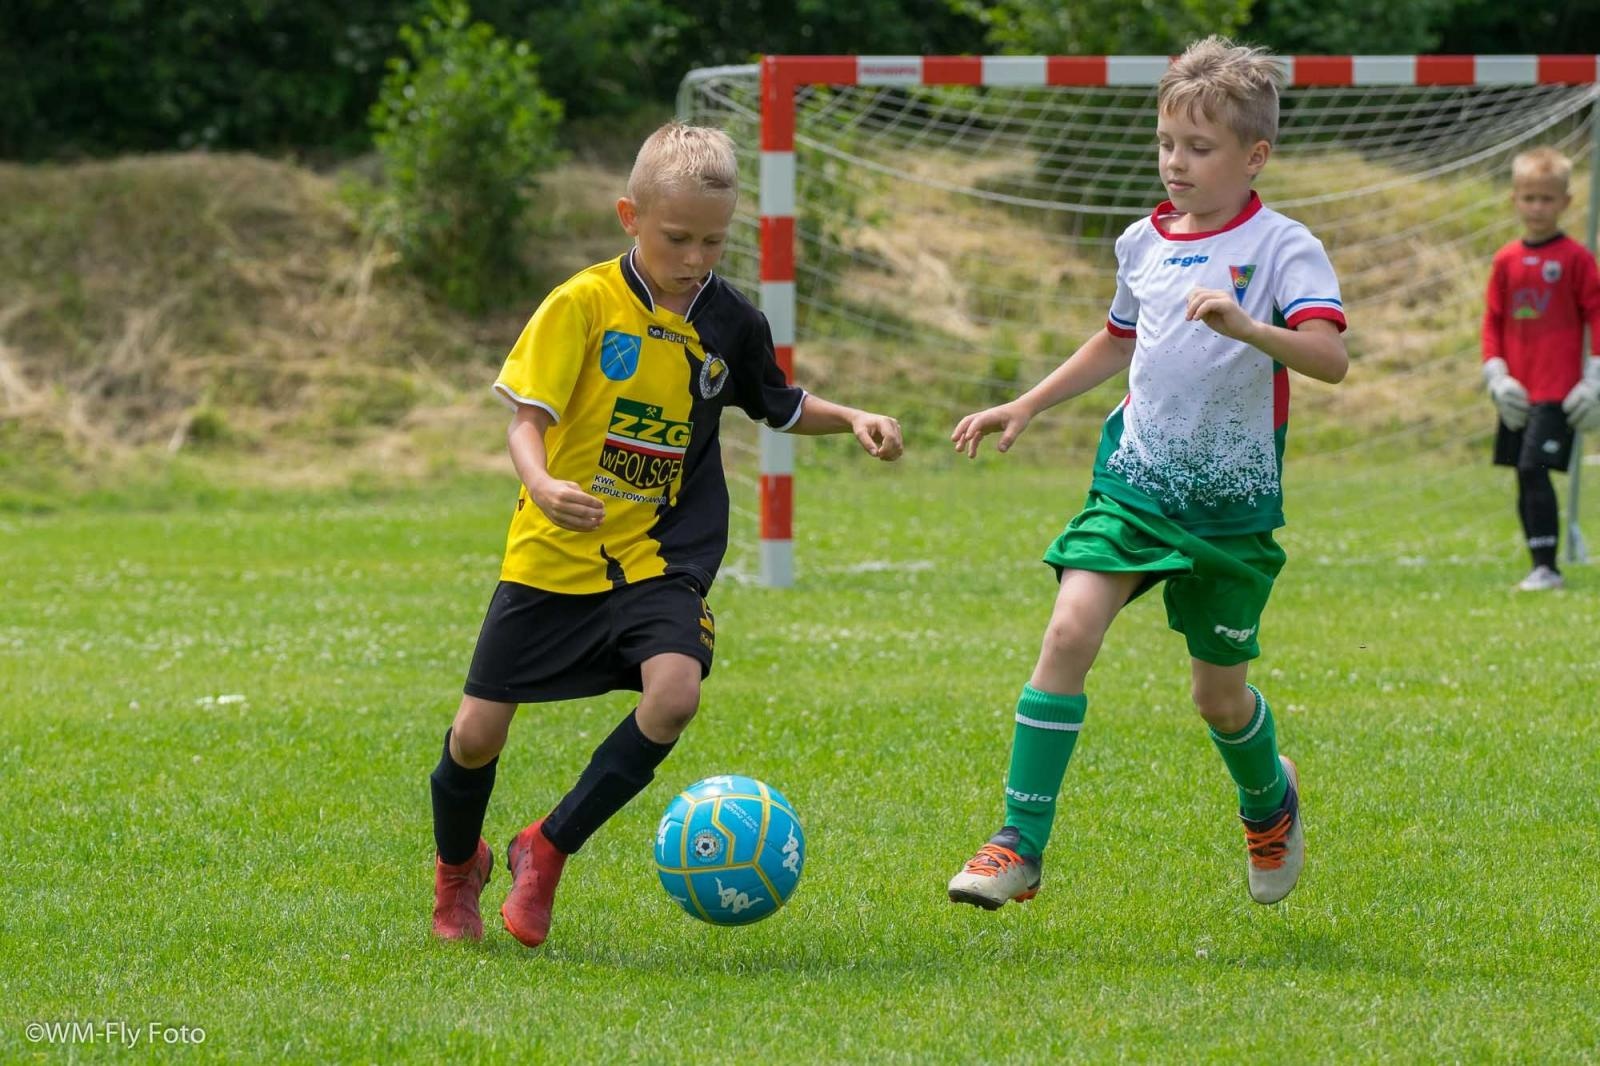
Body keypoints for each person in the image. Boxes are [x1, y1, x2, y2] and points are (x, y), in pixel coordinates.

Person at [428, 122, 903, 946]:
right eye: (676, 237)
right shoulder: (580, 305)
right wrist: (541, 484)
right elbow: (526, 420)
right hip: (552, 551)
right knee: (475, 736)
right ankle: (456, 874)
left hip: (660, 556)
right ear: (629, 216)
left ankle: (546, 847)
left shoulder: (731, 321)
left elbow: (779, 403)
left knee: (675, 694)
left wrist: (854, 415)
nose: (695, 257)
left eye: (712, 241)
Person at [944, 36, 1347, 910]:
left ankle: (1268, 800)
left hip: (1229, 511)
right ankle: (1018, 844)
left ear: (1255, 156)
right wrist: (1027, 403)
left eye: (1199, 148)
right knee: (1067, 633)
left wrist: (1252, 330)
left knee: (1218, 698)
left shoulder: (1284, 247)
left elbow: (1329, 357)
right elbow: (1117, 341)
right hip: (1133, 486)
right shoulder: (1144, 240)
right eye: (1168, 143)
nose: (1176, 162)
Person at [1480, 146, 1600, 592]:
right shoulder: (1506, 259)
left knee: (1534, 468)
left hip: (1558, 389)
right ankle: (1540, 563)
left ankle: (1547, 567)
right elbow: (1493, 320)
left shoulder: (1576, 259)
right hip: (1518, 389)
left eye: (1547, 199)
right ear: (1515, 199)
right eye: (1529, 198)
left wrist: (1594, 378)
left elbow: (1597, 315)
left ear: (1565, 202)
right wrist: (1496, 373)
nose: (1537, 207)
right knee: (1523, 470)